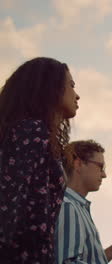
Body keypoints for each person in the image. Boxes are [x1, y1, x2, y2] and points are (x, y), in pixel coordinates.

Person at [0, 57, 80, 263]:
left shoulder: (37, 135)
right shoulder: (31, 131)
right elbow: (10, 211)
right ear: (50, 87)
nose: (77, 95)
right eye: (71, 85)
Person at [56, 140, 112, 263]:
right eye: (100, 167)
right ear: (78, 164)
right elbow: (67, 261)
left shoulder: (77, 207)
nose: (104, 174)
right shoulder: (69, 206)